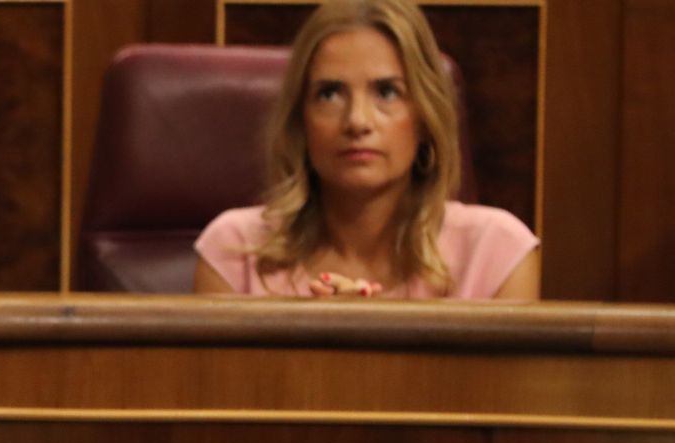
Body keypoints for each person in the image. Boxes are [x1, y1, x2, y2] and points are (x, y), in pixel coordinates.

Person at [193, 0, 538, 299]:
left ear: (424, 117)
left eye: (387, 92)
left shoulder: (496, 252)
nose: (357, 121)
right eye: (330, 94)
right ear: (301, 121)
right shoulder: (234, 252)